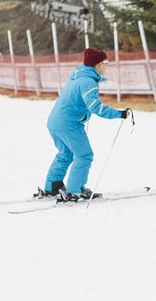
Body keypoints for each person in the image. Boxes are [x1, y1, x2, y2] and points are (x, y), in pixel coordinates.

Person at [42, 48, 129, 201]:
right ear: (98, 64)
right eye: (106, 62)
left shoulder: (78, 77)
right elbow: (96, 107)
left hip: (54, 122)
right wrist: (120, 114)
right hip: (68, 124)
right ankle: (74, 191)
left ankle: (52, 186)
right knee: (84, 155)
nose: (107, 66)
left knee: (65, 154)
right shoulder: (88, 82)